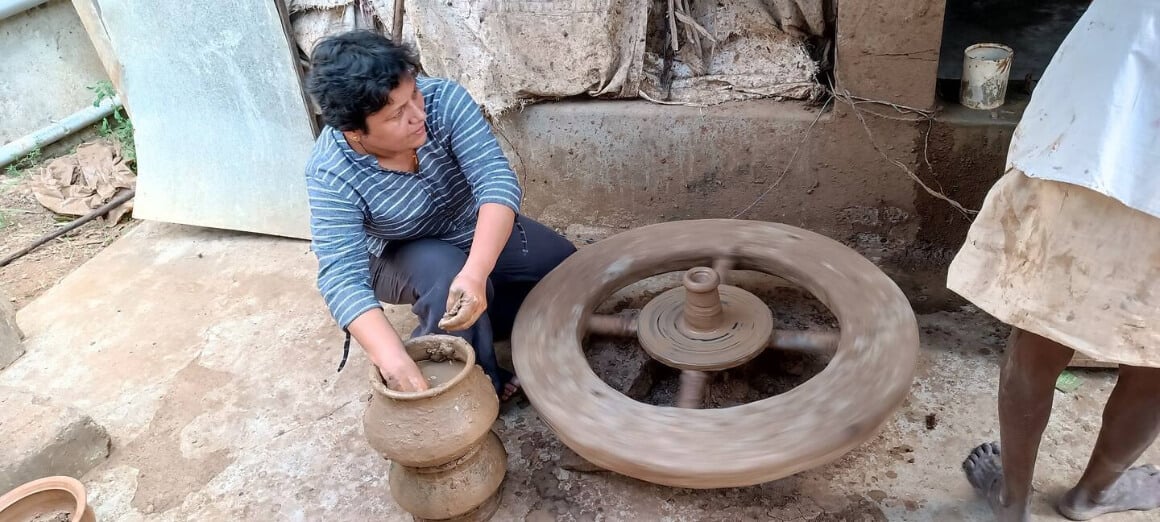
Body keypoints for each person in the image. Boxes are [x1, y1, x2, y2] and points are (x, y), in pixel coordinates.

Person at [948, 1, 1160, 520]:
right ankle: (1093, 496)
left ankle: (1011, 500)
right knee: (1157, 352)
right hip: (1113, 124)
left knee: (1043, 326)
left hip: (1105, 135)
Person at [302, 30, 576, 399]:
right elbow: (341, 276)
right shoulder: (330, 170)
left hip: (465, 224)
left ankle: (477, 319)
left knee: (566, 269)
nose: (418, 115)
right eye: (397, 113)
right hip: (395, 253)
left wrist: (477, 273)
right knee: (444, 273)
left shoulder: (444, 100)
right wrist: (392, 359)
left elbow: (495, 182)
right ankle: (474, 383)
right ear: (354, 131)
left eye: (413, 93)